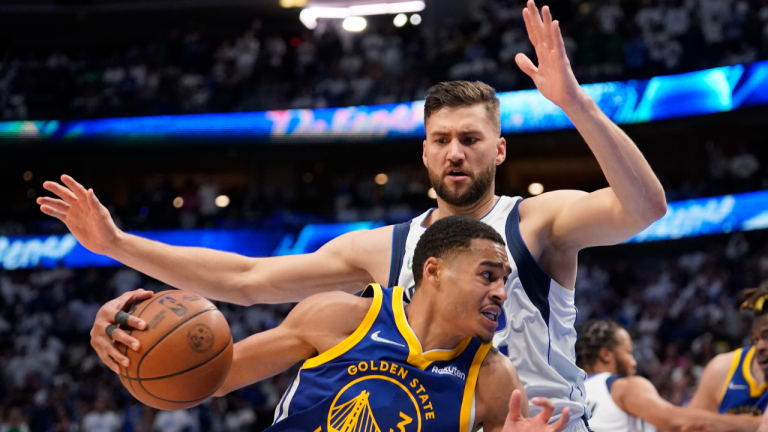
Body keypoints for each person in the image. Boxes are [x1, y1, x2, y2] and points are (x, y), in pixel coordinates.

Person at [38, 1, 667, 429]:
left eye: (471, 139)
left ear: (499, 149)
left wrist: (576, 104)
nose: (456, 151)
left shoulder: (537, 222)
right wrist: (117, 244)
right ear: (423, 150)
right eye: (442, 138)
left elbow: (644, 208)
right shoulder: (382, 249)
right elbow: (247, 281)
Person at [210, 216, 570, 431]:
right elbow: (215, 379)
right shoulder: (345, 317)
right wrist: (152, 340)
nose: (501, 293)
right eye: (487, 276)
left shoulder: (493, 376)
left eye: (503, 281)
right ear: (434, 271)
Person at [577, 320, 761, 432]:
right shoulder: (622, 386)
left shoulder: (569, 393)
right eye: (628, 353)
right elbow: (674, 422)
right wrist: (757, 423)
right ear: (606, 354)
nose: (633, 362)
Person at [690, 283, 768, 416]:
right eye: (755, 339)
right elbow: (692, 425)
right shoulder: (722, 368)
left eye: (767, 337)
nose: (759, 346)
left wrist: (715, 424)